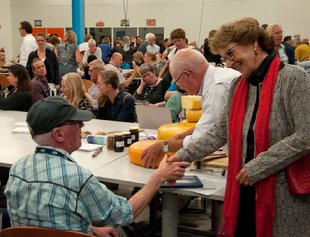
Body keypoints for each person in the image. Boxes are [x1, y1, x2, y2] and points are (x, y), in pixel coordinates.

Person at [169, 17, 310, 237]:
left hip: (283, 196)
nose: (229, 63)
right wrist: (180, 156)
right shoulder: (238, 86)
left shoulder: (294, 79)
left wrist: (257, 167)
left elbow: (305, 136)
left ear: (254, 43)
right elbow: (218, 132)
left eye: (231, 53)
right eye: (224, 58)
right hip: (245, 189)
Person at [4, 96, 190, 236]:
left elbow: (44, 220)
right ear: (58, 135)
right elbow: (125, 214)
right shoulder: (77, 177)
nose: (82, 125)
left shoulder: (17, 169)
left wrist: (89, 229)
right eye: (76, 122)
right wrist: (158, 176)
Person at [141, 48, 240, 168]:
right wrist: (183, 135)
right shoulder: (219, 76)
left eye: (178, 82)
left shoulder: (217, 89)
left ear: (187, 75)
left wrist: (164, 146)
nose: (180, 86)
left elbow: (202, 140)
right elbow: (212, 126)